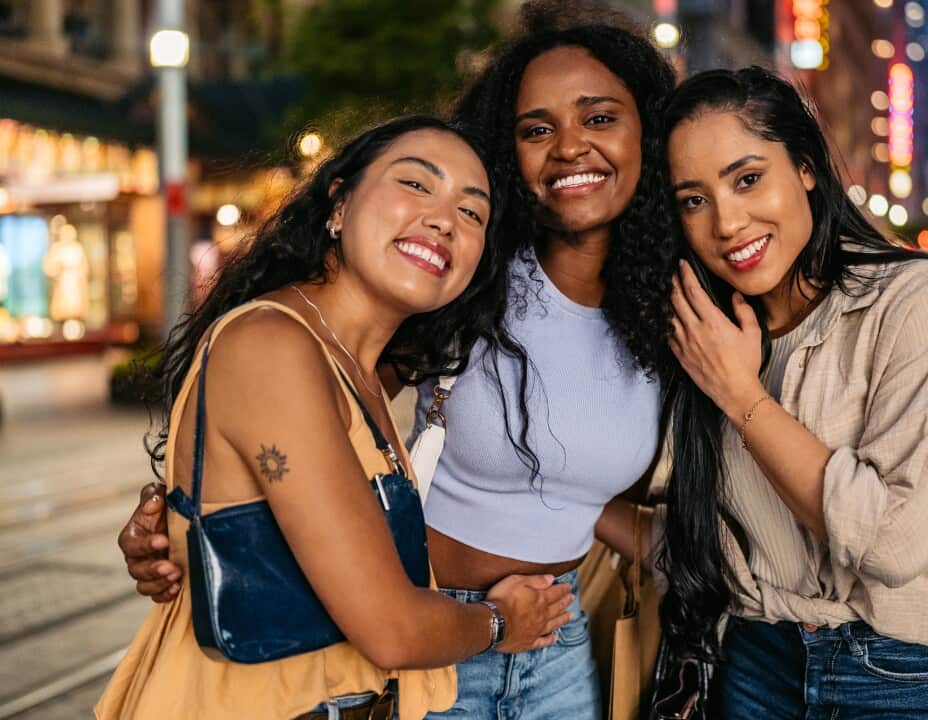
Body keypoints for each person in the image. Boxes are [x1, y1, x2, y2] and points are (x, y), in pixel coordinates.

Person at [116, 11, 680, 719]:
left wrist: (682, 551)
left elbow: (574, 482)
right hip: (433, 628)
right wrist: (182, 515)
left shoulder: (676, 306)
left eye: (599, 117)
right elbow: (307, 423)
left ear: (647, 135)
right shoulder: (462, 287)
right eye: (537, 129)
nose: (570, 146)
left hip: (554, 636)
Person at [95, 116, 573, 720]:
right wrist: (503, 621)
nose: (443, 219)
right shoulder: (273, 345)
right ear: (339, 204)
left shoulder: (359, 368)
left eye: (472, 213)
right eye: (416, 185)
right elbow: (390, 629)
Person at [659, 67, 928, 719]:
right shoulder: (710, 332)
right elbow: (709, 534)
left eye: (748, 179)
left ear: (806, 167)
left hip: (906, 677)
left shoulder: (920, 304)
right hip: (755, 663)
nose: (726, 221)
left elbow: (893, 544)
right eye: (693, 199)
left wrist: (742, 397)